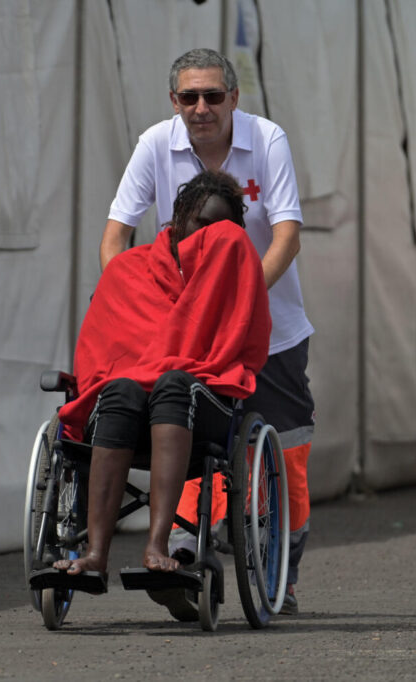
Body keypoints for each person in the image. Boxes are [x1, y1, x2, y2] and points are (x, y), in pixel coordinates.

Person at [100, 48, 315, 616]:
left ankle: (284, 567)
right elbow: (114, 239)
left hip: (270, 329)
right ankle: (180, 549)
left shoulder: (267, 141)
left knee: (287, 450)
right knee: (189, 429)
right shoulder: (154, 145)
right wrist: (129, 302)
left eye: (213, 96)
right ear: (174, 102)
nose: (201, 108)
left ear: (234, 99)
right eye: (189, 97)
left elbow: (287, 236)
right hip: (186, 331)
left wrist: (238, 299)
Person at [48, 170, 270, 593]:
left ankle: (155, 547)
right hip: (122, 413)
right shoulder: (129, 269)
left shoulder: (234, 276)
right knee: (120, 388)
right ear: (179, 219)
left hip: (197, 411)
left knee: (174, 383)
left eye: (223, 228)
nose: (209, 236)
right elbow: (100, 355)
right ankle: (95, 555)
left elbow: (245, 349)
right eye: (202, 224)